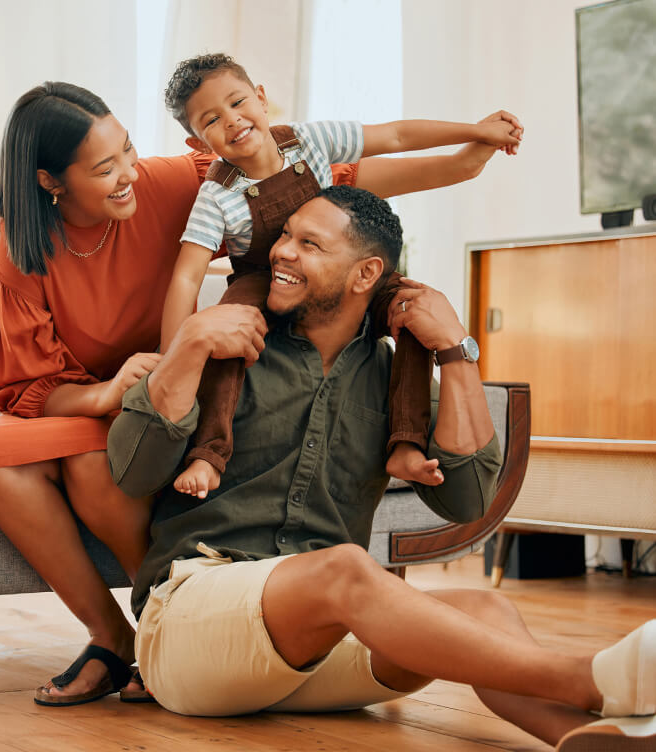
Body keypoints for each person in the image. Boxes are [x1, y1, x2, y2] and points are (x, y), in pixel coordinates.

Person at [0, 80, 521, 708]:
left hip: (203, 406)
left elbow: (315, 174)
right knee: (5, 452)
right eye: (105, 168)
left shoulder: (177, 183)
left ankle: (607, 705)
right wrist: (160, 366)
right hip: (141, 396)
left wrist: (469, 158)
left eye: (129, 152)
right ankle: (123, 633)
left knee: (484, 611)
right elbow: (31, 386)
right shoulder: (24, 250)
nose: (129, 175)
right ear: (50, 181)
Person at [108, 186, 656, 751]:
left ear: (365, 273)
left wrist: (455, 350)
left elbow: (468, 502)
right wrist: (190, 342)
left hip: (316, 649)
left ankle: (591, 736)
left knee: (487, 608)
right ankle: (590, 679)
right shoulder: (225, 344)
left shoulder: (398, 382)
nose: (282, 252)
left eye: (309, 244)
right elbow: (132, 473)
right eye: (286, 236)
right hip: (192, 626)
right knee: (345, 568)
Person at [159, 53, 523, 501]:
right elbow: (185, 279)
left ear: (261, 97)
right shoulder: (216, 195)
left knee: (415, 310)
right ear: (198, 143)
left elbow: (395, 134)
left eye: (237, 102)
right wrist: (172, 356)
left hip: (337, 264)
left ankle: (406, 443)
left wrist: (476, 131)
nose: (233, 121)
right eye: (212, 120)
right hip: (262, 276)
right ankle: (209, 453)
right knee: (227, 334)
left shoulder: (309, 140)